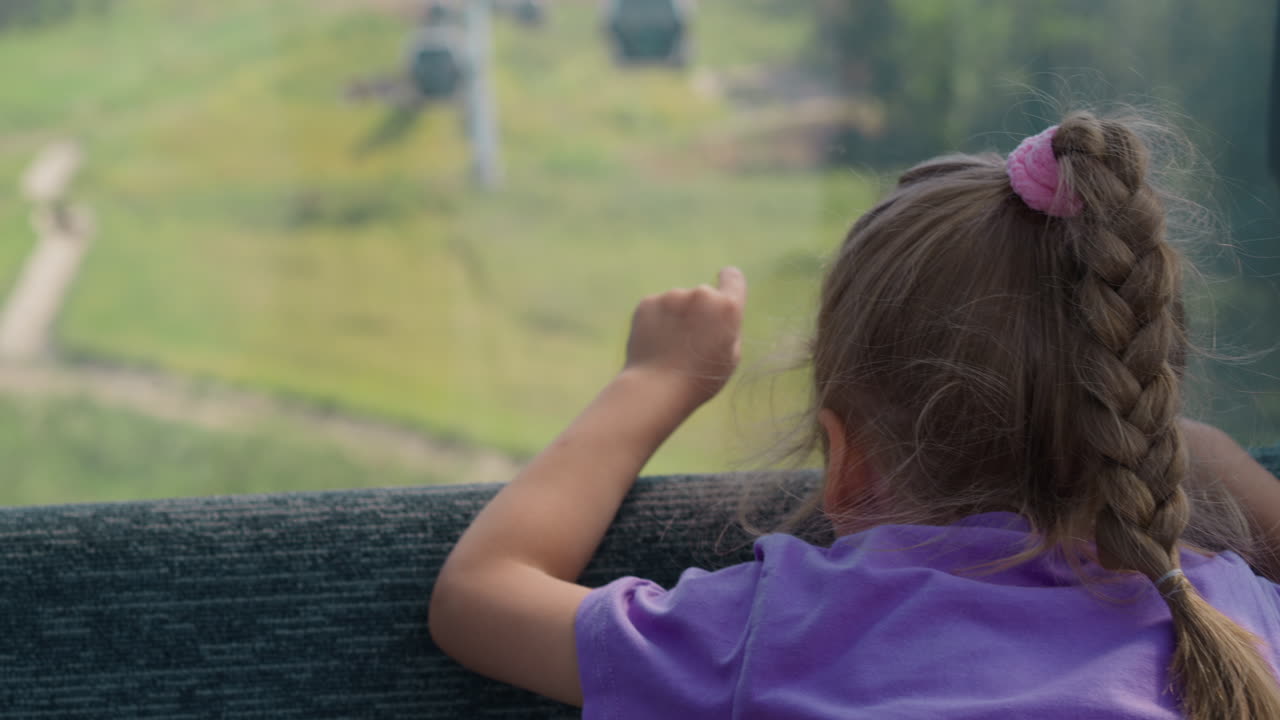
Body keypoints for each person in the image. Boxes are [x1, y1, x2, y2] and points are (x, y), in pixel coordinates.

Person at [428, 111, 1280, 719]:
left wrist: (655, 380)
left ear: (847, 463)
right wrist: (1209, 457)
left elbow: (480, 597)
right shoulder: (1230, 623)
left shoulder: (781, 627)